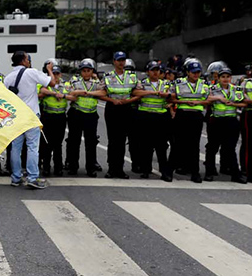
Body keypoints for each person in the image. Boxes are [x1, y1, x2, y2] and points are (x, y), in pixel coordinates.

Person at [3, 51, 50, 189]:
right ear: (23, 60)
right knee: (32, 147)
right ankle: (32, 177)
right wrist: (49, 70)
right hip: (31, 116)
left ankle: (16, 177)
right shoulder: (31, 72)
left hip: (16, 117)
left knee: (15, 149)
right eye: (28, 59)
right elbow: (51, 82)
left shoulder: (8, 78)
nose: (29, 61)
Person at [99, 51, 139, 179]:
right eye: (119, 60)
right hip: (113, 108)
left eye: (123, 60)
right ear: (114, 62)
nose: (121, 62)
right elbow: (101, 93)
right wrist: (112, 100)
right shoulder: (107, 76)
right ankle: (111, 168)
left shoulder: (132, 76)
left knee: (122, 140)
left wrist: (129, 101)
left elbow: (138, 92)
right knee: (112, 140)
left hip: (126, 108)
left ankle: (120, 169)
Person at [170, 60, 211, 183]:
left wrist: (199, 103)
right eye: (193, 72)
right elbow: (172, 98)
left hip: (196, 116)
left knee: (194, 145)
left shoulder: (204, 84)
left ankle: (195, 173)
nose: (196, 74)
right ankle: (168, 171)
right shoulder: (178, 83)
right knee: (177, 144)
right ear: (187, 72)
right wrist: (183, 102)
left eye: (198, 72)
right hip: (182, 115)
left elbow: (208, 100)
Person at [132, 61, 173, 181]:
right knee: (146, 145)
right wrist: (151, 92)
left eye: (157, 70)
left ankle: (164, 171)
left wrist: (166, 96)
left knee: (162, 145)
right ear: (148, 72)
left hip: (161, 117)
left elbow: (173, 95)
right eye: (153, 70)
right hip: (146, 116)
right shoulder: (142, 83)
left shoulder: (165, 83)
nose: (155, 72)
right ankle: (146, 169)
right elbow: (135, 92)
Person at [205, 68, 246, 183]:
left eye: (227, 77)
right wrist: (218, 98)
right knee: (212, 147)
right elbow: (205, 98)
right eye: (223, 77)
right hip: (217, 121)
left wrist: (233, 103)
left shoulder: (236, 89)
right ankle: (209, 172)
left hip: (231, 121)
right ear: (218, 78)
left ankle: (235, 174)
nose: (225, 79)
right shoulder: (213, 89)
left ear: (231, 78)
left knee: (230, 148)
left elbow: (244, 102)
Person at [65, 59, 103, 177]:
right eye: (84, 71)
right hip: (76, 113)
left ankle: (91, 168)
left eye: (89, 70)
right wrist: (79, 92)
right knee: (73, 142)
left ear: (92, 71)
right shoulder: (74, 80)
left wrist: (86, 93)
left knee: (91, 143)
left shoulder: (97, 82)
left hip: (91, 115)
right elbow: (69, 93)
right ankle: (72, 167)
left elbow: (103, 93)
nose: (86, 73)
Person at [38, 65, 69, 177]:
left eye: (57, 74)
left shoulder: (66, 85)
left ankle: (58, 168)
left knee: (58, 144)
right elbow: (42, 91)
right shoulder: (47, 84)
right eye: (53, 73)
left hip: (60, 117)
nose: (55, 76)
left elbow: (73, 96)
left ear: (60, 74)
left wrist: (64, 95)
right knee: (47, 143)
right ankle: (46, 168)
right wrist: (55, 93)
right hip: (48, 116)